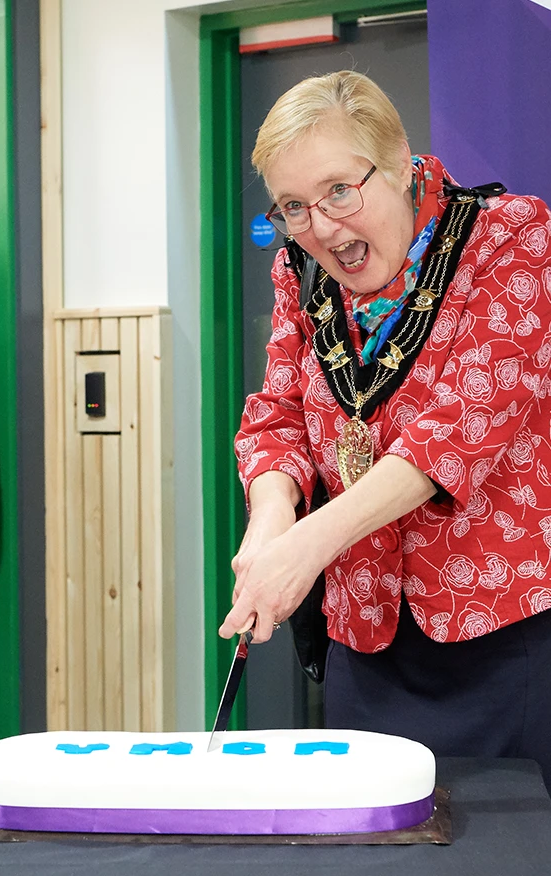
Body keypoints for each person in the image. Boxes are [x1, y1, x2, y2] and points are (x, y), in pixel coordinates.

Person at [221, 70, 551, 789]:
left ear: (400, 163)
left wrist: (306, 544)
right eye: (293, 207)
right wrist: (270, 521)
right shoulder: (298, 273)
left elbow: (459, 428)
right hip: (365, 642)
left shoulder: (513, 238)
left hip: (504, 637)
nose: (323, 227)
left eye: (341, 190)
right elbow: (277, 416)